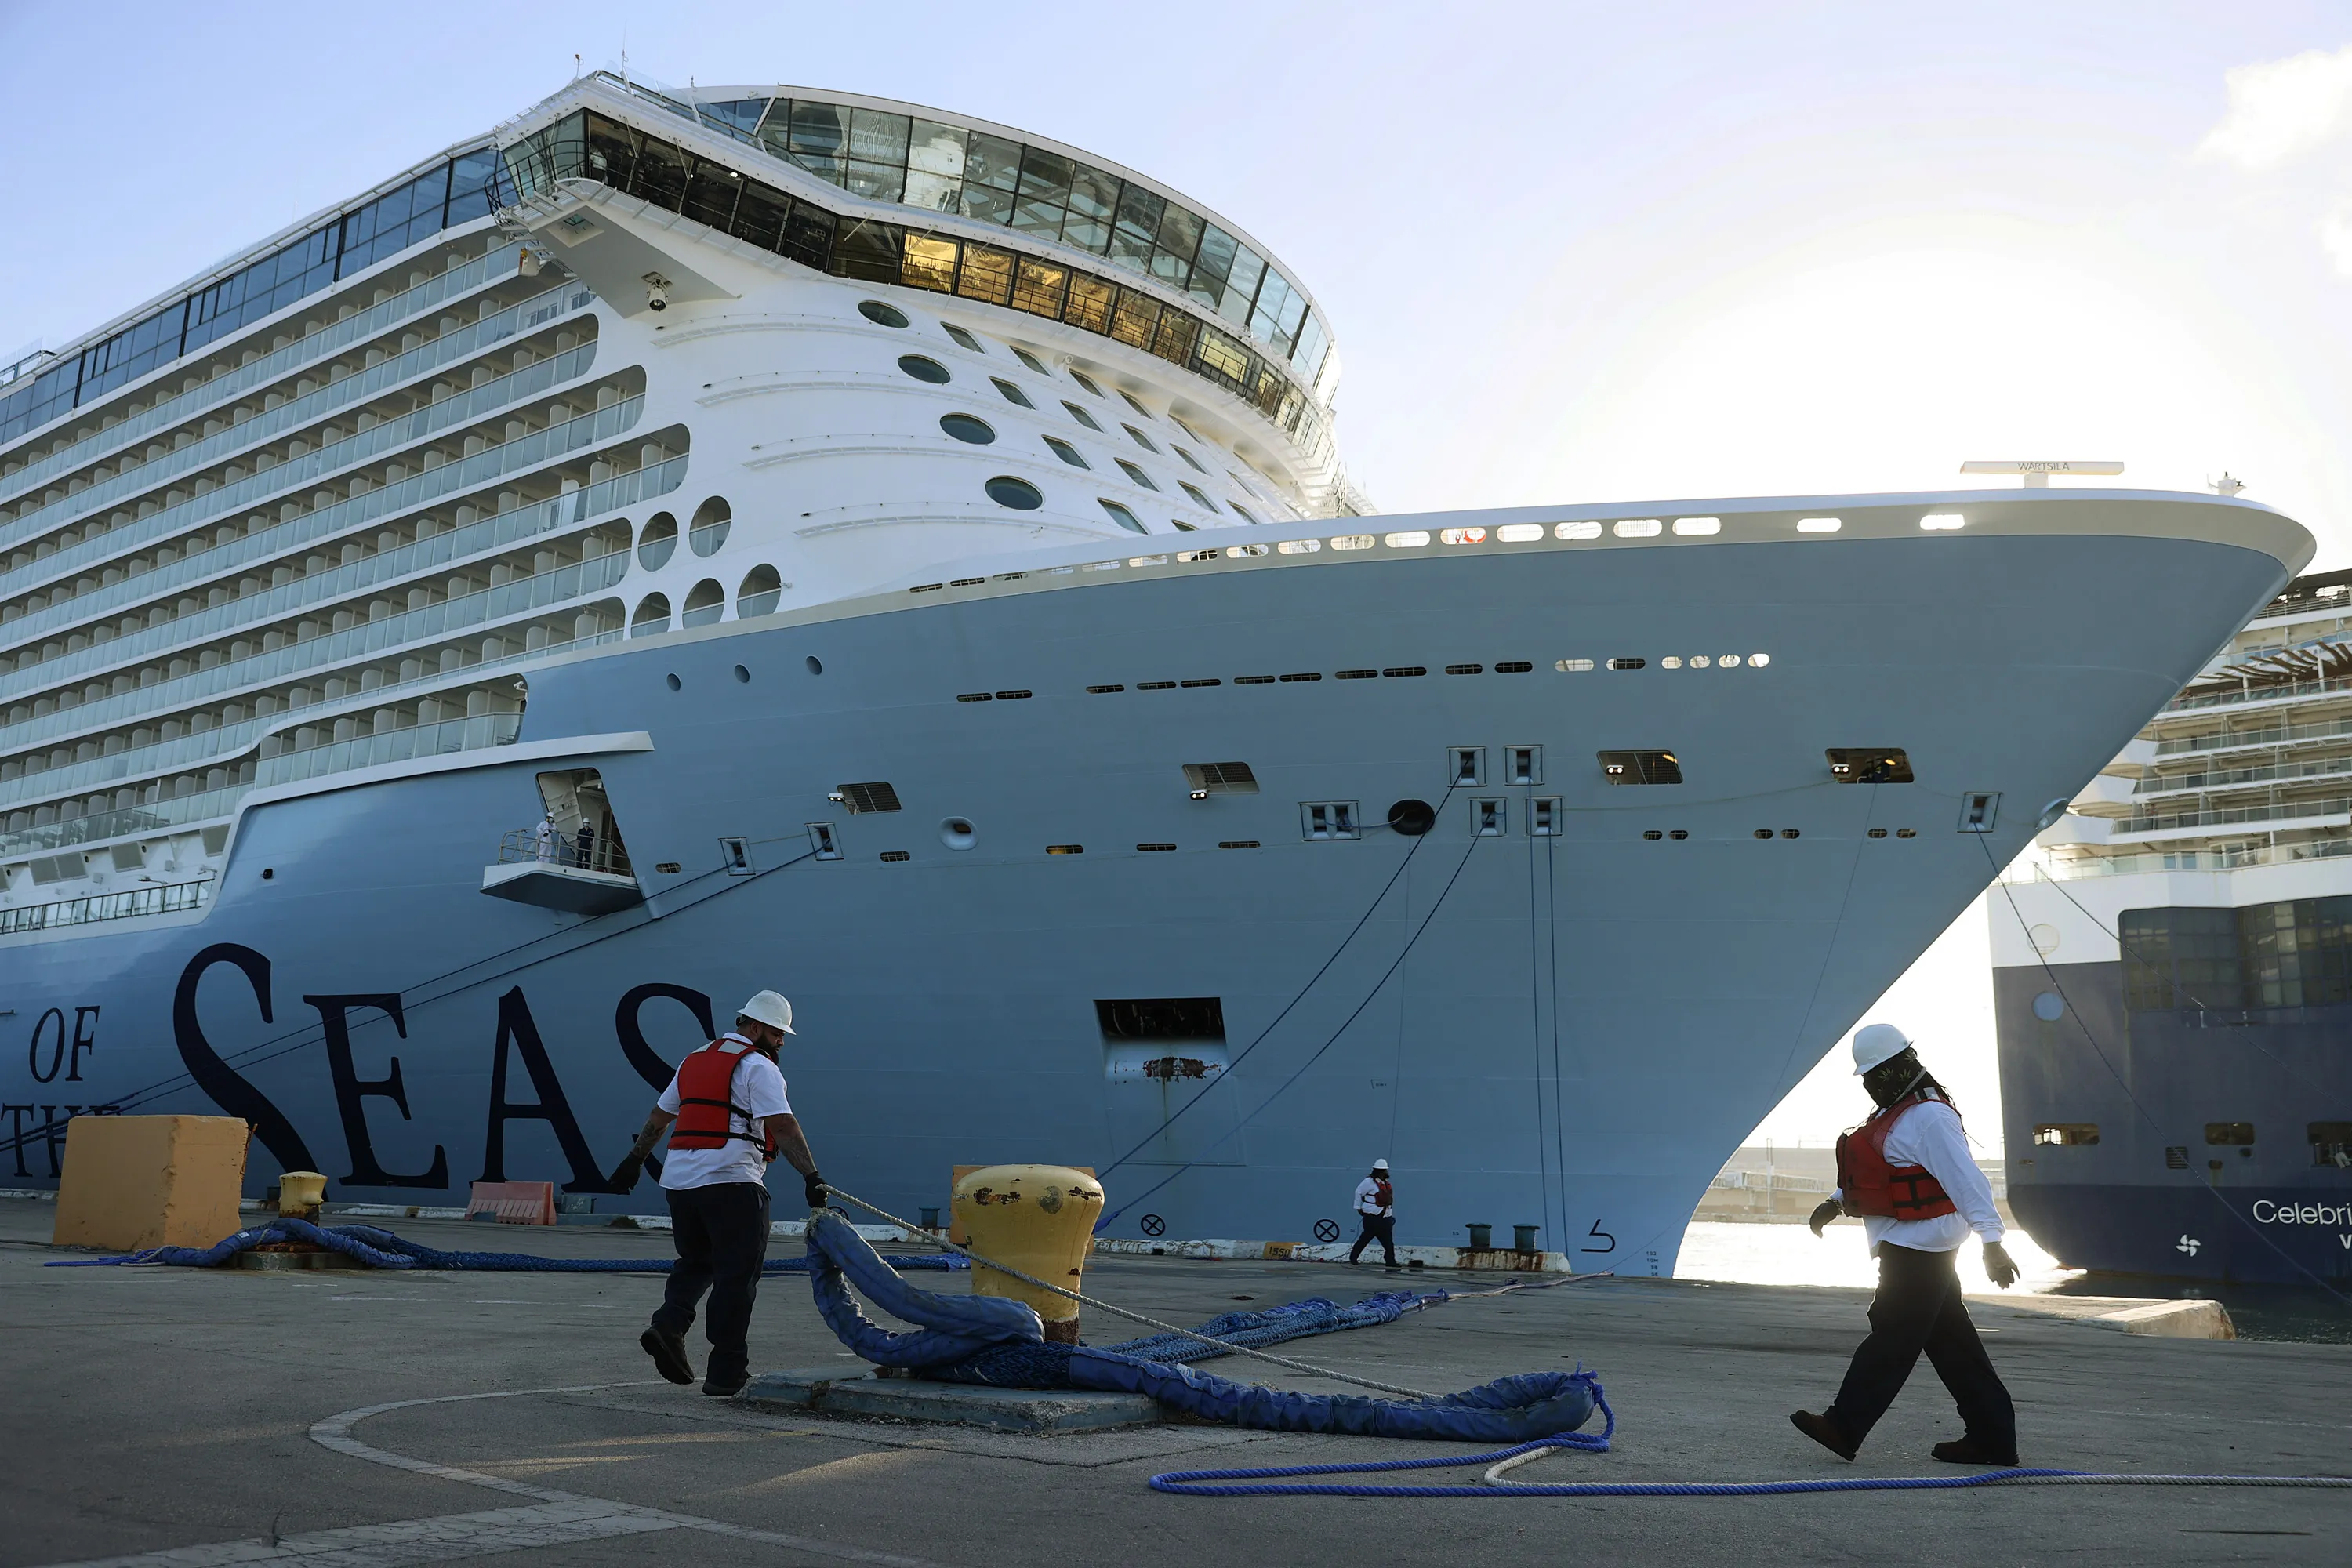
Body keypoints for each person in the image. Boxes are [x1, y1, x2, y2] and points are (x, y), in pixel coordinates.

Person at [1791, 1024, 2021, 1467]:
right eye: (1868, 1077)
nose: (1873, 1084)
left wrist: (1992, 1243)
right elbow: (1880, 1173)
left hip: (1920, 1248)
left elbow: (1968, 1182)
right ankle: (1993, 1438)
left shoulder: (1930, 1118)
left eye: (1879, 1073)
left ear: (1903, 1066)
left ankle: (1844, 1424)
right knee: (1953, 1344)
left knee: (1893, 1334)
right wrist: (1835, 1203)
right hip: (1909, 1244)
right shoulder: (1895, 1114)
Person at [609, 990, 826, 1397]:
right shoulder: (757, 1067)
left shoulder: (694, 1059)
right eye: (779, 1033)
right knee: (736, 1277)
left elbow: (660, 1116)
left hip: (680, 1183)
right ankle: (726, 1372)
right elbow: (782, 1125)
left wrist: (635, 1159)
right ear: (757, 1028)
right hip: (733, 1182)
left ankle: (669, 1326)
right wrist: (812, 1176)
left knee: (695, 1262)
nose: (782, 1042)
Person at [1348, 1157, 1398, 1267]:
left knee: (1388, 1242)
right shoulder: (1369, 1182)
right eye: (1383, 1170)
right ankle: (1353, 1257)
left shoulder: (1385, 1183)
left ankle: (1390, 1261)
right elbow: (1358, 1192)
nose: (1385, 1172)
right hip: (1373, 1217)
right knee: (1365, 1239)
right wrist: (1358, 1207)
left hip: (1385, 1217)